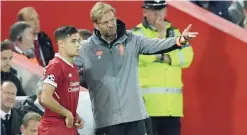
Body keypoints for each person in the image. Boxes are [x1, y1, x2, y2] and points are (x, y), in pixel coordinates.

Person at [73, 2, 198, 135]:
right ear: (96, 25)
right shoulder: (86, 49)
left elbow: (156, 45)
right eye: (105, 22)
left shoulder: (132, 39)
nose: (111, 25)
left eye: (112, 20)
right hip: (106, 120)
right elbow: (65, 66)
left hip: (135, 118)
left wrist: (179, 40)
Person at [132, 1, 194, 135]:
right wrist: (161, 34)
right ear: (145, 12)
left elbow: (187, 57)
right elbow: (142, 57)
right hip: (148, 107)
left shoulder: (176, 32)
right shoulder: (137, 34)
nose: (159, 14)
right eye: (154, 11)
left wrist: (167, 58)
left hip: (172, 107)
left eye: (161, 10)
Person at [38, 26, 84, 135]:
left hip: (67, 126)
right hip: (53, 128)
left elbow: (63, 99)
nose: (78, 44)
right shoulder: (56, 66)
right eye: (73, 41)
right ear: (61, 44)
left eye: (78, 41)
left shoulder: (72, 67)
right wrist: (67, 114)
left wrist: (75, 115)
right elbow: (45, 98)